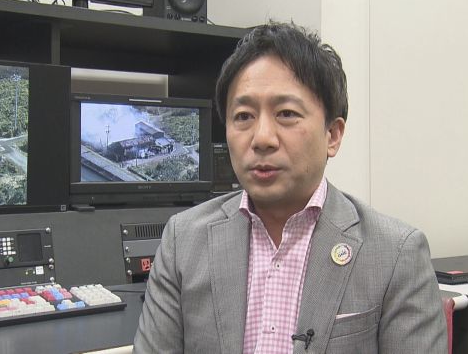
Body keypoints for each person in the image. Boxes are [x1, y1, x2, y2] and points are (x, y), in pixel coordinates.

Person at [134, 22, 447, 353]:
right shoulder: (183, 240)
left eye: (286, 113)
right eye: (243, 116)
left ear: (332, 135)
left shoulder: (396, 254)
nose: (262, 138)